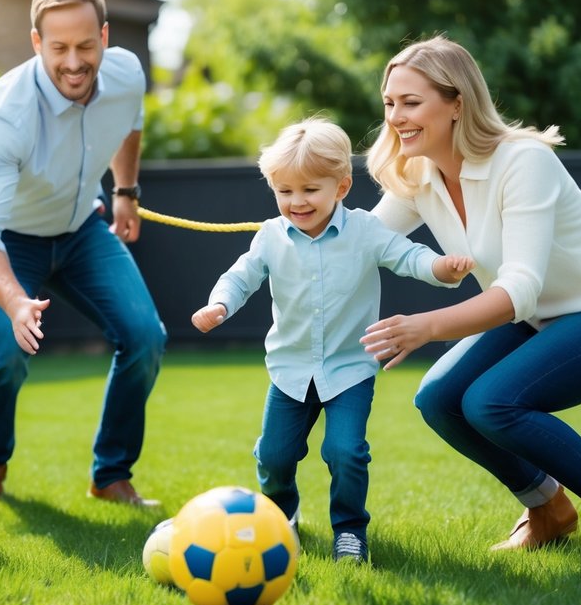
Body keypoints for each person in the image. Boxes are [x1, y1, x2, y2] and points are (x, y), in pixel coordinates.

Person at [359, 36, 581, 568]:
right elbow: (359, 241)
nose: (396, 117)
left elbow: (519, 286)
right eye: (390, 103)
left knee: (492, 402)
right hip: (535, 317)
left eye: (411, 103)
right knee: (438, 398)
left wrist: (425, 327)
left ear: (457, 102)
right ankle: (548, 509)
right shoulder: (418, 172)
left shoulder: (523, 161)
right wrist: (292, 227)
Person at [191, 118, 474, 563]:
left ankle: (349, 530)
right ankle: (281, 520)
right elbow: (239, 277)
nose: (296, 202)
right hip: (289, 370)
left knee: (346, 452)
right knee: (274, 457)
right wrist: (219, 305)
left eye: (309, 190)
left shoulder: (364, 231)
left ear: (341, 187)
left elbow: (408, 256)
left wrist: (442, 269)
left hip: (349, 370)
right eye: (285, 192)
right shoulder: (270, 237)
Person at [0, 0, 166, 507]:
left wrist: (126, 191)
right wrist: (15, 301)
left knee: (145, 338)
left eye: (86, 46)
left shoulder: (125, 73)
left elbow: (130, 125)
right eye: (59, 48)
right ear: (36, 43)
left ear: (105, 37)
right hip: (6, 241)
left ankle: (111, 475)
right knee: (5, 351)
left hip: (80, 230)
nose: (74, 62)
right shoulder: (6, 114)